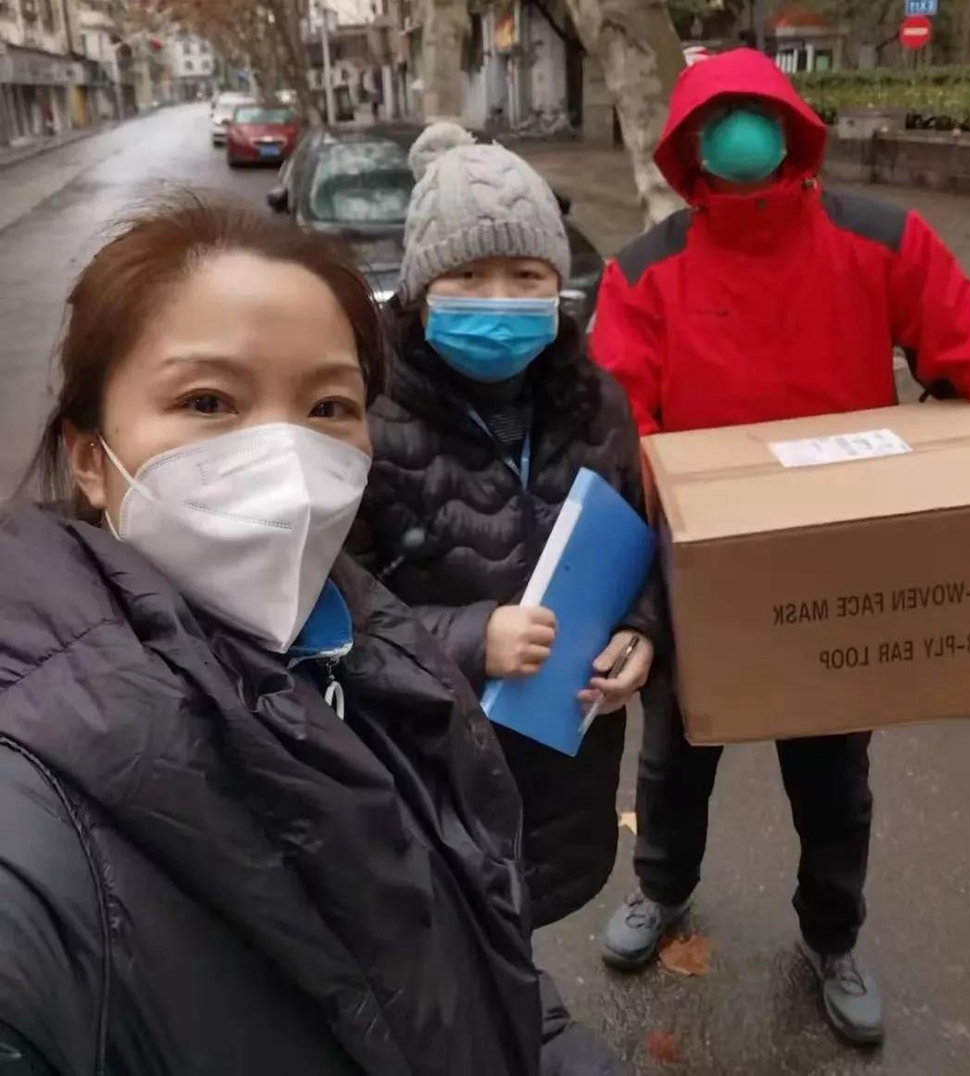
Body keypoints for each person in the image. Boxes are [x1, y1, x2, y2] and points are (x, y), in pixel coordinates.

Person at [0, 193, 601, 1076]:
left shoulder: (374, 659)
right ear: (91, 456)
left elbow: (476, 963)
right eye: (208, 400)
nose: (284, 459)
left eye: (327, 407)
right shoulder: (37, 815)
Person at [591, 48, 970, 1048]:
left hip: (835, 564)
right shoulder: (644, 271)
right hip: (697, 572)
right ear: (688, 145)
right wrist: (672, 545)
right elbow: (620, 424)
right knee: (674, 759)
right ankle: (662, 888)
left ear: (790, 126)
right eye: (718, 117)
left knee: (833, 781)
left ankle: (832, 935)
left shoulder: (882, 240)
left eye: (755, 111)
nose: (740, 133)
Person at [348, 122, 662, 930]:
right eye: (467, 273)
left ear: (556, 285)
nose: (498, 299)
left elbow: (641, 545)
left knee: (525, 938)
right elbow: (324, 613)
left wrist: (641, 634)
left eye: (525, 274)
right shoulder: (359, 417)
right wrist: (467, 639)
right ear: (420, 288)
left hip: (566, 769)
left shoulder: (598, 402)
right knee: (446, 947)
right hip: (429, 775)